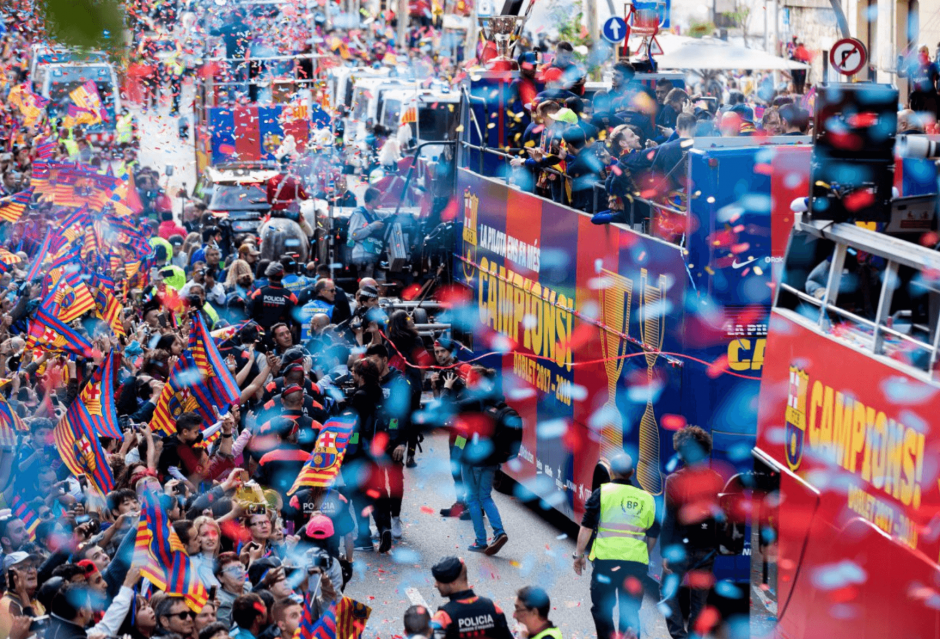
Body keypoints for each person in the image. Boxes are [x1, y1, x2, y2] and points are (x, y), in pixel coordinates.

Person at [573, 454, 659, 639]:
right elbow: (652, 535)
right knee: (630, 612)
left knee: (602, 608)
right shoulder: (647, 499)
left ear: (610, 471)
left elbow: (586, 527)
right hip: (636, 565)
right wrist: (643, 553)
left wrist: (578, 555)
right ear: (632, 472)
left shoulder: (602, 493)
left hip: (606, 563)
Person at [660, 427, 724, 639]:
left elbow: (670, 519)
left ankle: (679, 635)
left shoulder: (674, 481)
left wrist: (665, 553)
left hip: (680, 549)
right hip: (706, 549)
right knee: (699, 600)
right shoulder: (716, 479)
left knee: (667, 594)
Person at [429, 557, 513, 639]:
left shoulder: (444, 617)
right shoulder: (493, 609)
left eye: (438, 580)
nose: (435, 585)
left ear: (453, 582)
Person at [347, 187, 385, 279]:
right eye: (378, 199)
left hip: (374, 257)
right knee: (367, 287)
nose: (381, 201)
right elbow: (354, 235)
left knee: (379, 284)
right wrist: (372, 226)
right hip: (363, 257)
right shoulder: (358, 214)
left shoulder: (374, 214)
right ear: (372, 200)